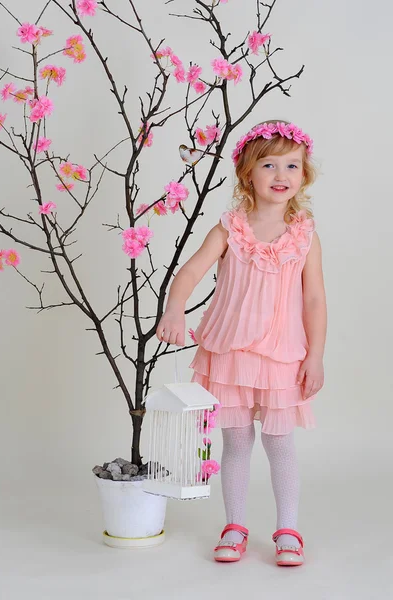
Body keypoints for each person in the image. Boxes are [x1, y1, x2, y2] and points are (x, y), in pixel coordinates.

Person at [156, 120, 327, 567]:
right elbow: (190, 272)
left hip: (281, 355)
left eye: (291, 164)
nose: (280, 174)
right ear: (248, 173)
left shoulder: (305, 235)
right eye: (268, 164)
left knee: (280, 443)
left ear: (304, 174)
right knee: (234, 443)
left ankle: (288, 528)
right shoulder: (230, 229)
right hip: (229, 352)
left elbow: (313, 299)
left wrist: (316, 356)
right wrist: (175, 310)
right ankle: (234, 525)